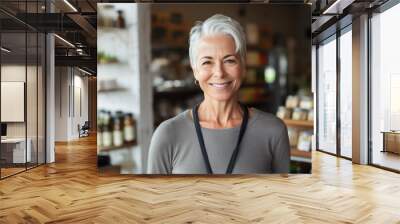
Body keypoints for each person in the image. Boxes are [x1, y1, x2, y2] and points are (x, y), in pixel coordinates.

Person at [147, 14, 290, 174]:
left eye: (229, 60)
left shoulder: (273, 131)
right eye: (207, 62)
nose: (219, 73)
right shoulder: (167, 135)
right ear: (195, 71)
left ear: (243, 66)